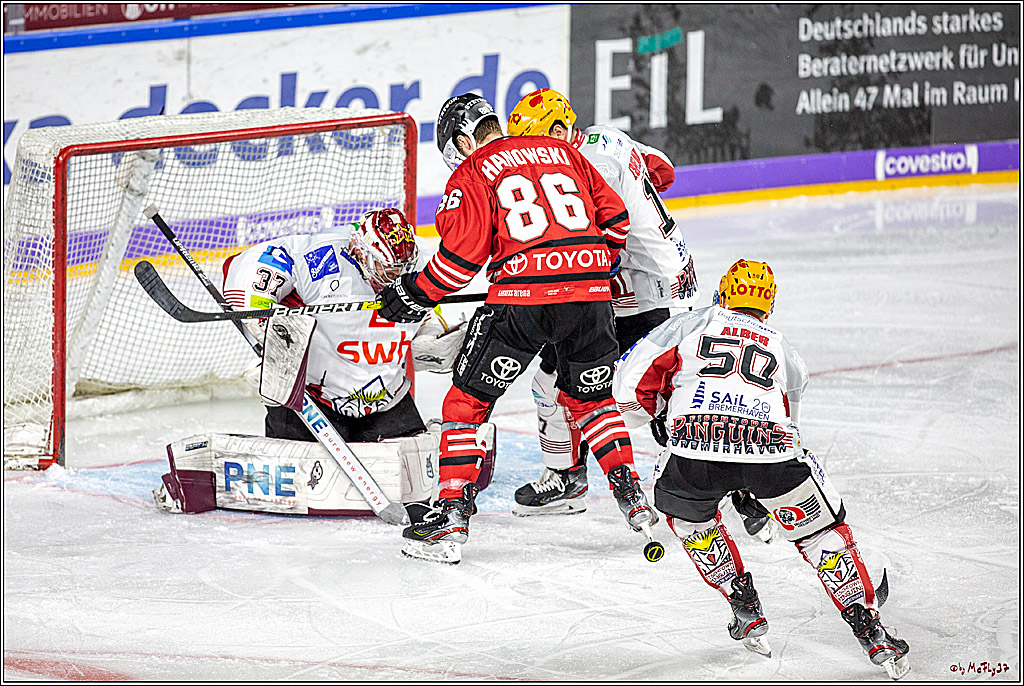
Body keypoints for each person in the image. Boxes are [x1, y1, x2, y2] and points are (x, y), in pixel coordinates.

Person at [377, 93, 655, 564]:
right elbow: (616, 219)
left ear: (462, 141)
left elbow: (457, 263)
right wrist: (585, 268)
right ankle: (632, 498)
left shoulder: (474, 170)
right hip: (590, 300)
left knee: (466, 402)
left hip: (523, 306)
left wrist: (413, 293)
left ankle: (450, 519)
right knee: (592, 402)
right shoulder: (564, 152)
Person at [612, 259, 910, 679]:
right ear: (769, 305)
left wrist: (658, 416)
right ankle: (870, 629)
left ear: (722, 292)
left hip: (693, 455)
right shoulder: (784, 348)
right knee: (820, 534)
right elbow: (791, 424)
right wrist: (759, 483)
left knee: (691, 520)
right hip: (771, 458)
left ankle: (743, 603)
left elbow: (627, 382)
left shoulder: (691, 324)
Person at [504, 87, 699, 517]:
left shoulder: (586, 164)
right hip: (669, 277)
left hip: (640, 293)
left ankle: (567, 478)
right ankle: (731, 488)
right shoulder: (604, 138)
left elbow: (599, 241)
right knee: (670, 396)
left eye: (536, 142)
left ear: (560, 130)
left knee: (570, 386)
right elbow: (662, 169)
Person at [222, 207, 450, 444]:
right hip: (311, 401)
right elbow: (241, 269)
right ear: (360, 252)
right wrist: (269, 331)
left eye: (403, 268)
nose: (397, 276)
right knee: (297, 467)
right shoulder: (319, 255)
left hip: (388, 399)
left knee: (414, 464)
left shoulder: (421, 257)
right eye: (388, 269)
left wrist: (431, 334)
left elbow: (429, 312)